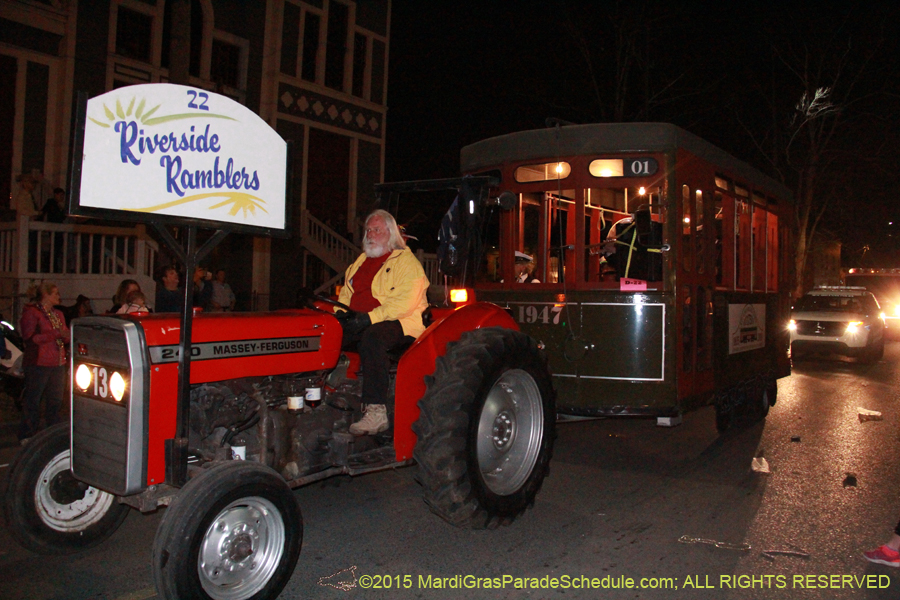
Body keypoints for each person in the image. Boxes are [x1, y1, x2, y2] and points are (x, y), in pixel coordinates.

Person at [335, 209, 429, 435]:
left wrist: (368, 318)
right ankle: (328, 393)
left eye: (377, 230)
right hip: (362, 319)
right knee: (326, 336)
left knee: (373, 338)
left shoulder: (407, 262)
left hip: (401, 322)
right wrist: (340, 315)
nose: (370, 234)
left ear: (391, 233)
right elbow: (346, 295)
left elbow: (403, 304)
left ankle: (376, 411)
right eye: (368, 230)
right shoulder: (360, 261)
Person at [18, 281, 69, 444]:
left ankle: (52, 432)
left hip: (58, 362)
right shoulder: (32, 313)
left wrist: (65, 335)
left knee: (55, 400)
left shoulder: (58, 314)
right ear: (46, 295)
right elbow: (29, 337)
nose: (58, 296)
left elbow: (65, 334)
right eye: (55, 293)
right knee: (34, 399)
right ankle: (27, 433)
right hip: (38, 363)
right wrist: (55, 334)